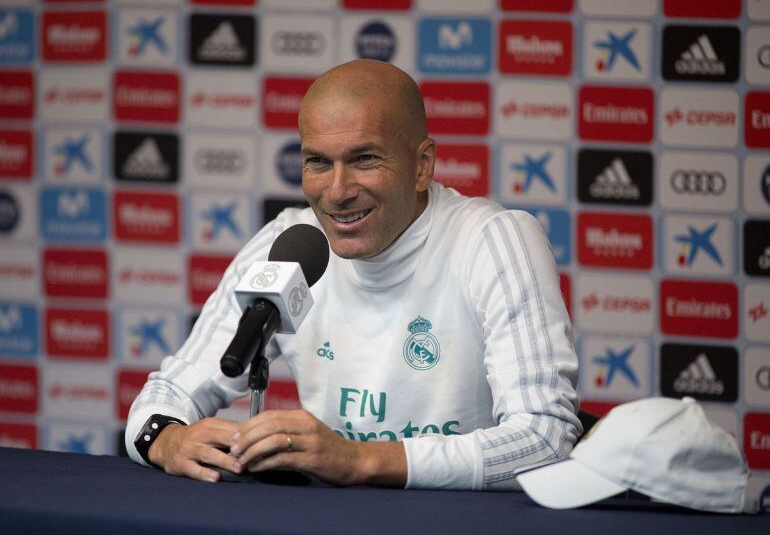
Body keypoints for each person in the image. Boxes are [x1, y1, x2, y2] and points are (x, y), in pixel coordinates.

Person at [126, 59, 580, 490]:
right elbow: (167, 393)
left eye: (364, 159)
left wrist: (358, 460)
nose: (337, 192)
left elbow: (544, 438)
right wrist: (168, 440)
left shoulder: (493, 240)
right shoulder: (289, 243)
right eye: (318, 162)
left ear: (422, 166)